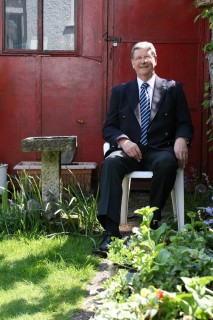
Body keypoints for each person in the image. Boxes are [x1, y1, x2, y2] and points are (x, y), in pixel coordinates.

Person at [94, 41, 193, 255]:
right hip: (131, 150)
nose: (142, 61)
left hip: (160, 149)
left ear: (155, 59)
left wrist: (182, 138)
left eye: (147, 57)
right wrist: (123, 141)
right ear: (132, 63)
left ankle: (152, 226)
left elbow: (184, 122)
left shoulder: (173, 88)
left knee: (168, 163)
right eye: (138, 58)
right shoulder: (121, 91)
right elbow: (109, 127)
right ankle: (111, 233)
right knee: (111, 162)